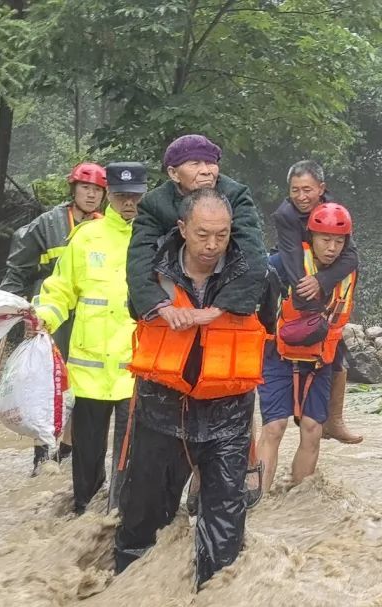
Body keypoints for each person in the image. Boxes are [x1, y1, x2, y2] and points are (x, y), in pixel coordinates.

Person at [116, 188, 267, 588]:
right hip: (161, 411)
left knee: (224, 531)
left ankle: (211, 591)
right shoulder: (150, 273)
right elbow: (136, 307)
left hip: (228, 416)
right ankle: (129, 588)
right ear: (182, 228)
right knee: (143, 517)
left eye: (222, 234)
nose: (212, 245)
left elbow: (266, 330)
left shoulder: (252, 276)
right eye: (202, 234)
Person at [127, 134, 267, 513]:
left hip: (222, 324)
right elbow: (139, 262)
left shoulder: (236, 196)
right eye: (195, 164)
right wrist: (158, 305)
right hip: (173, 323)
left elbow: (254, 258)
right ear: (173, 173)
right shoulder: (155, 204)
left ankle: (235, 472)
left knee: (231, 402)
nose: (206, 170)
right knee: (154, 460)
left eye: (211, 162)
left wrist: (219, 309)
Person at [31, 162, 144, 514]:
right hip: (90, 371)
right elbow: (60, 290)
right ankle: (83, 513)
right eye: (123, 195)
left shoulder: (152, 239)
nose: (129, 203)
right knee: (87, 455)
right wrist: (43, 317)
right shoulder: (85, 238)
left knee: (130, 454)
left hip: (134, 370)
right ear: (109, 194)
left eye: (135, 197)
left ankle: (119, 516)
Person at [2, 161, 107, 473]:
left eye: (97, 191)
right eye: (85, 188)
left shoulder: (108, 227)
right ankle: (41, 454)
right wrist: (17, 309)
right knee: (47, 381)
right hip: (52, 314)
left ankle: (67, 451)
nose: (91, 195)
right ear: (72, 190)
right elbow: (17, 270)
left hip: (91, 317)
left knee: (81, 383)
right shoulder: (47, 225)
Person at [257, 203, 357, 493]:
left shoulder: (348, 271)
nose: (332, 248)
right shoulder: (282, 264)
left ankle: (297, 501)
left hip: (319, 360)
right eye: (325, 239)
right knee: (274, 428)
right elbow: (261, 306)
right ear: (311, 237)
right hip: (278, 354)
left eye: (339, 241)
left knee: (312, 429)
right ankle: (258, 501)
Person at [270, 161, 362, 444]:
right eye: (295, 190)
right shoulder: (285, 214)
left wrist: (322, 282)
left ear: (321, 189)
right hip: (294, 272)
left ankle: (334, 420)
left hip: (324, 275)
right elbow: (290, 256)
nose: (301, 197)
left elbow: (351, 257)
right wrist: (305, 290)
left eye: (307, 190)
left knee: (337, 348)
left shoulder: (334, 212)